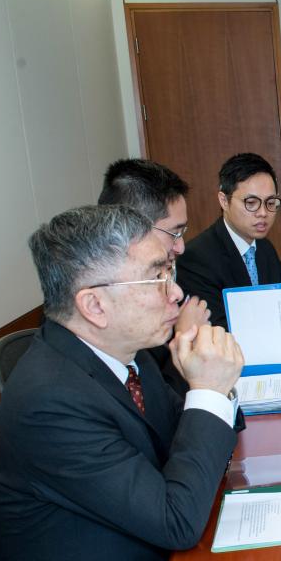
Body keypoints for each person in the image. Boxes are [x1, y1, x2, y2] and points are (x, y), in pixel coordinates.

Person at [0, 204, 244, 561]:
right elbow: (177, 521)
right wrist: (206, 390)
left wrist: (212, 384)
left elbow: (192, 438)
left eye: (171, 271)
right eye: (157, 278)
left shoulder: (127, 355)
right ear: (94, 305)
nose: (177, 292)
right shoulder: (49, 401)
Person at [99, 158, 211, 391]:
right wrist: (184, 340)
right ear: (132, 228)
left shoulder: (170, 276)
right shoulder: (111, 300)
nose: (180, 247)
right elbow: (157, 406)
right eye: (174, 233)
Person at [176, 152, 281, 329]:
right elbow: (217, 329)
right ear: (224, 201)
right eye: (251, 202)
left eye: (270, 202)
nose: (263, 213)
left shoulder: (265, 248)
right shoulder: (196, 258)